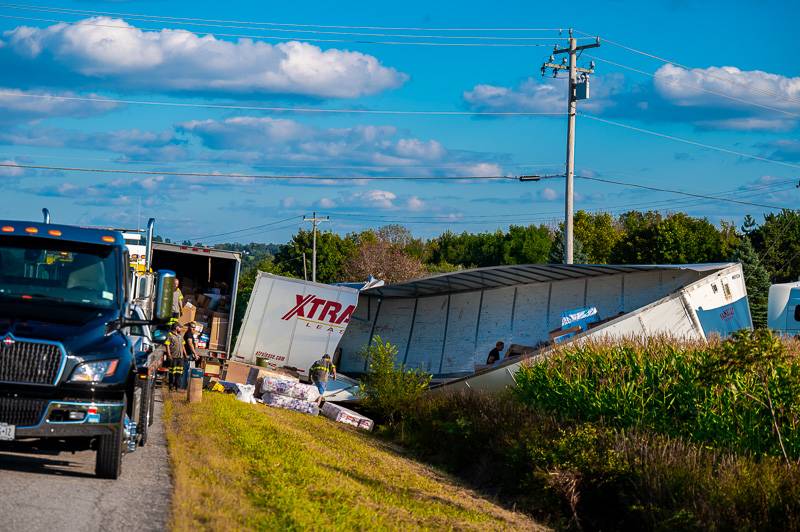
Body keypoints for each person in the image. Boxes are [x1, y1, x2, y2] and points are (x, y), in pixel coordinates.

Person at [165, 323, 185, 392]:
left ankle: (177, 387)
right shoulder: (170, 335)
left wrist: (185, 355)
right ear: (176, 327)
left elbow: (183, 346)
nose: (181, 329)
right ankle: (171, 387)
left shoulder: (180, 336)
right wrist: (169, 355)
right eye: (180, 327)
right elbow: (167, 345)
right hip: (173, 357)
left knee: (179, 373)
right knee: (172, 373)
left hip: (180, 357)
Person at [180, 322, 199, 390]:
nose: (193, 329)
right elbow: (190, 344)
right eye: (192, 327)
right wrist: (195, 354)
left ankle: (184, 386)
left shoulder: (190, 334)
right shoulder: (188, 334)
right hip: (187, 355)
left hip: (188, 354)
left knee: (187, 370)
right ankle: (183, 387)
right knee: (185, 371)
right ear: (189, 327)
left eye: (194, 328)